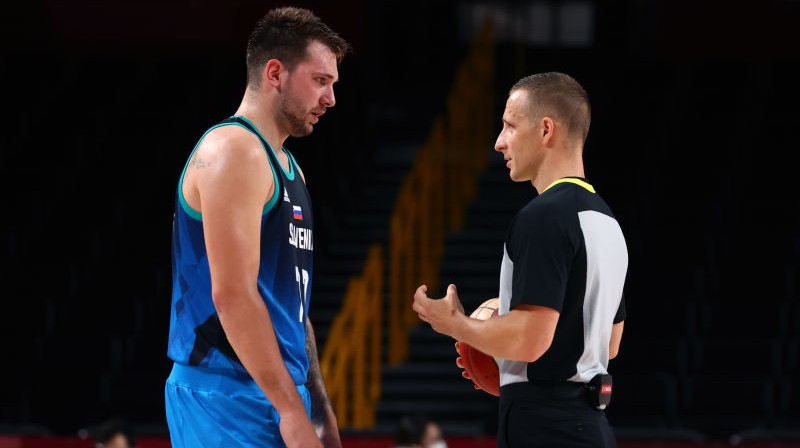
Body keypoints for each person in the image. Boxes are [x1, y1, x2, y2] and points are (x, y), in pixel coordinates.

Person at [165, 7, 349, 448]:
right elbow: (233, 296)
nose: (331, 98)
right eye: (320, 80)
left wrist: (318, 406)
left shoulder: (289, 168)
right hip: (223, 394)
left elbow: (293, 307)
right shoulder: (233, 150)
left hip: (280, 389)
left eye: (333, 84)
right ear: (275, 73)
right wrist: (290, 409)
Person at [412, 72, 627, 448]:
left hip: (543, 428)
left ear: (546, 130)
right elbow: (609, 344)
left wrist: (457, 325)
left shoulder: (542, 216)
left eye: (510, 126)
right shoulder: (608, 221)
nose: (498, 143)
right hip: (591, 425)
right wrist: (507, 363)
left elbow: (531, 341)